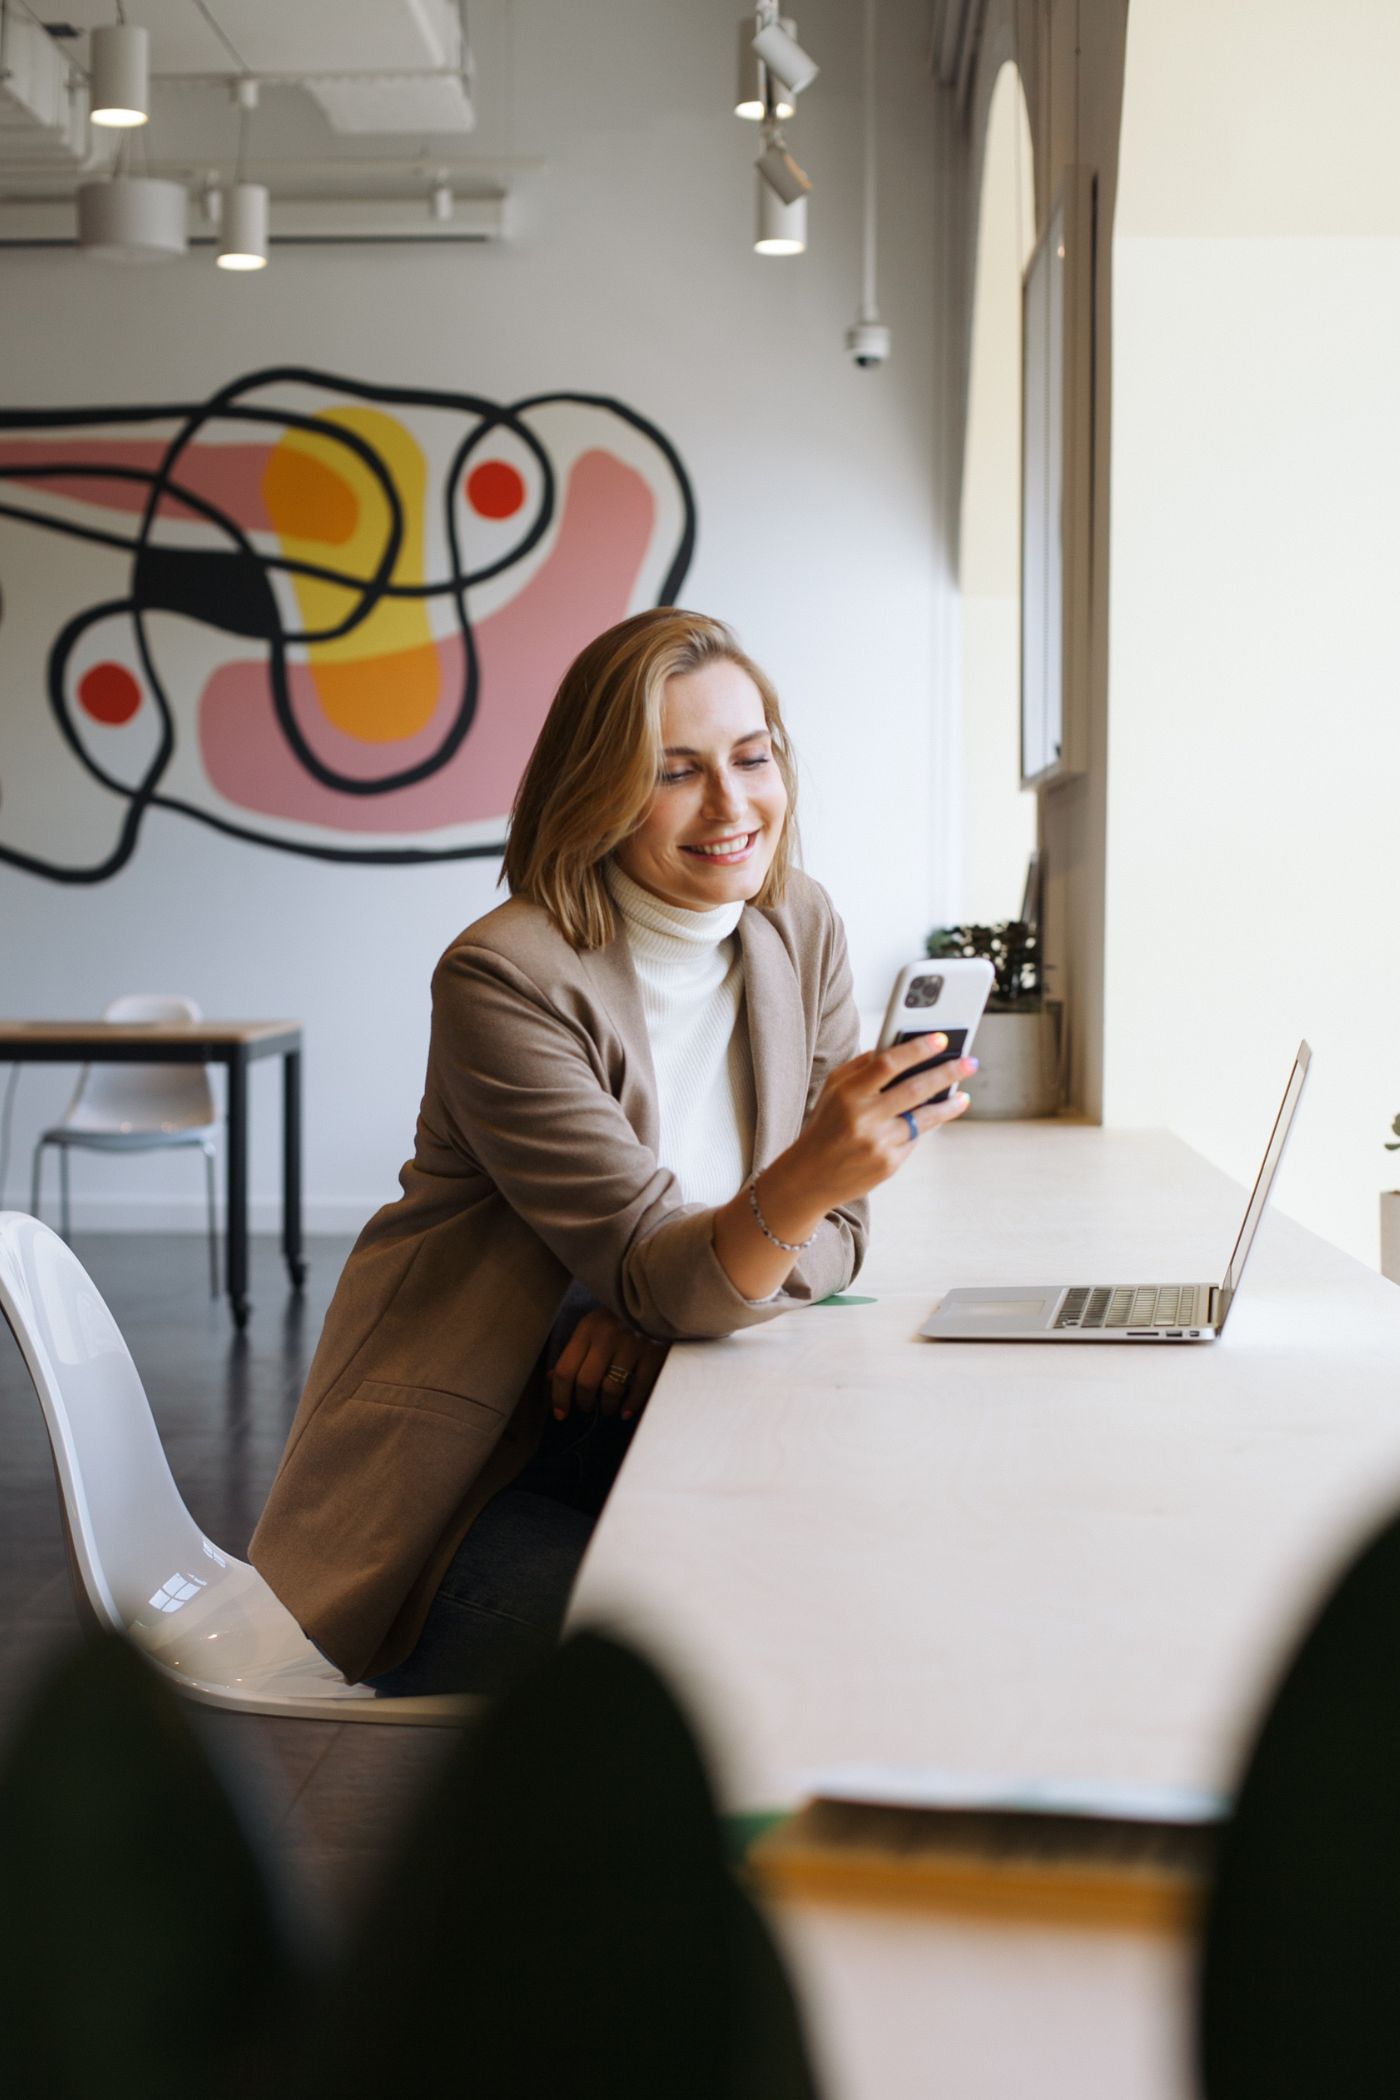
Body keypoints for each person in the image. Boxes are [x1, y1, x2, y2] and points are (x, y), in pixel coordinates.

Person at [249, 610, 975, 1694]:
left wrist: (667, 1317)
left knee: (891, 1582)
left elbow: (837, 1241)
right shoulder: (505, 979)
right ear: (594, 790)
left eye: (751, 757)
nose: (731, 806)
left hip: (667, 1414)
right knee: (733, 1664)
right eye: (674, 772)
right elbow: (687, 1262)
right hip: (495, 1473)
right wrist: (698, 1275)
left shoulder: (797, 926)